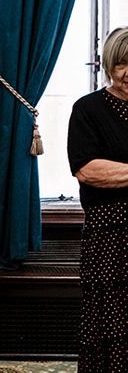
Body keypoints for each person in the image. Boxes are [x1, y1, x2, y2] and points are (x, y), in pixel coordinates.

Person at [67, 25, 128, 372]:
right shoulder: (88, 109)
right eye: (121, 64)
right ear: (107, 65)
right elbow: (88, 170)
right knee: (111, 323)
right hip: (109, 237)